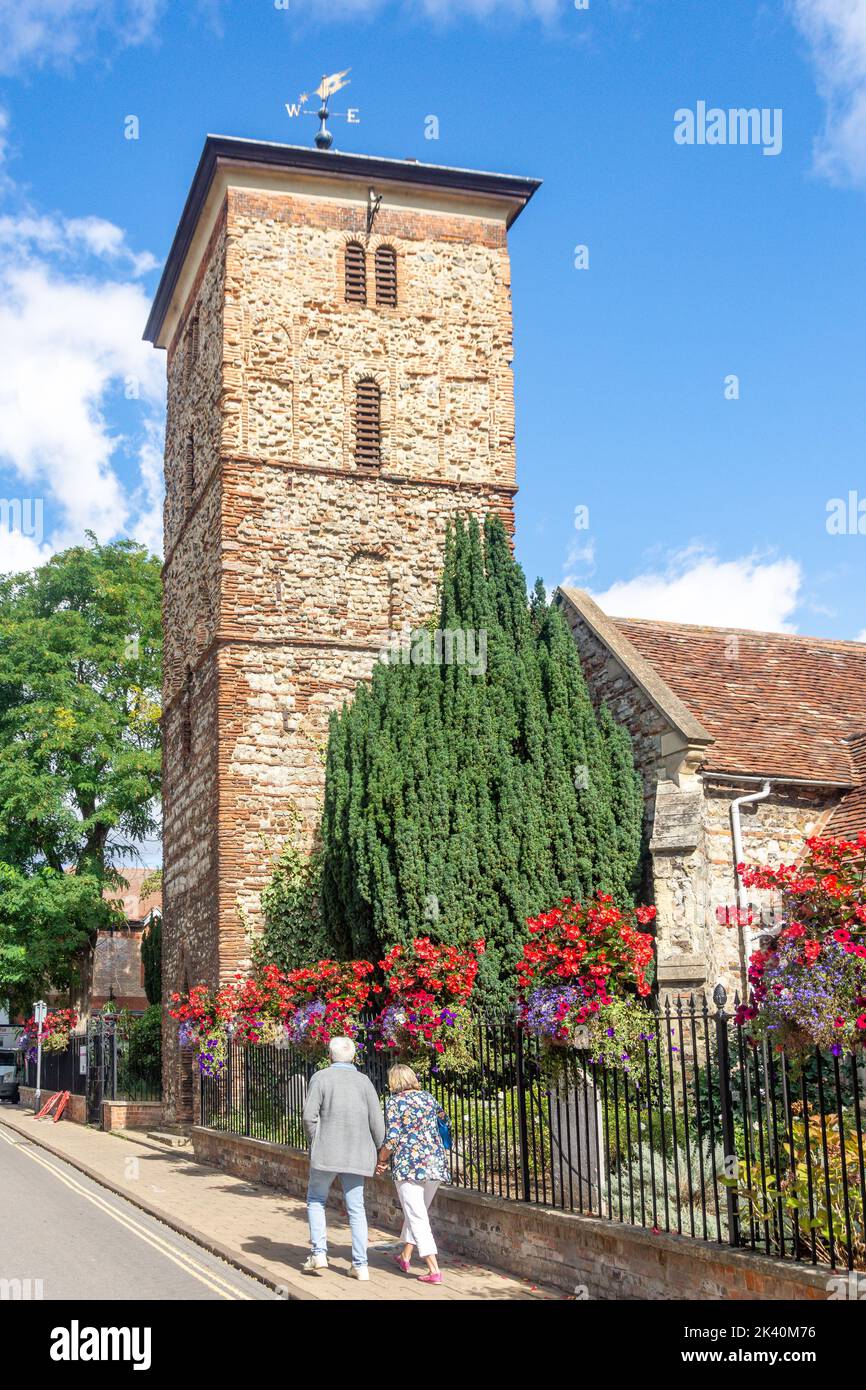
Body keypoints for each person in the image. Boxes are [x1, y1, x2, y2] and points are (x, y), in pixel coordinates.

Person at [301, 1036, 385, 1280]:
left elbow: (309, 1117)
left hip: (326, 1151)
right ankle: (360, 1265)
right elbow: (376, 1122)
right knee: (356, 1208)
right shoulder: (365, 1082)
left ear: (329, 1055)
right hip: (357, 1154)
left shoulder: (321, 1077)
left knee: (316, 1199)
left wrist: (317, 1139)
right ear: (354, 1057)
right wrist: (382, 1153)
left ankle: (319, 1253)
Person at [376, 1063, 450, 1285]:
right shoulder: (428, 1097)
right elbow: (444, 1120)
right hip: (434, 1163)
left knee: (417, 1215)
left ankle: (433, 1269)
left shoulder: (395, 1103)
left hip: (409, 1165)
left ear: (394, 1082)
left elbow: (393, 1138)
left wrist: (381, 1159)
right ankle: (405, 1257)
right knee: (417, 1212)